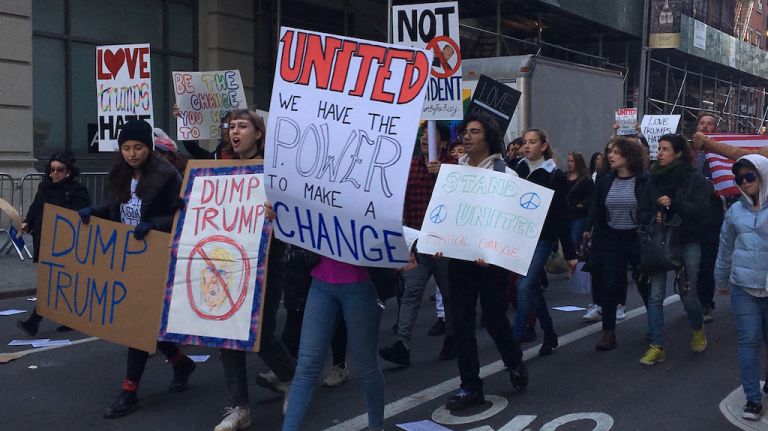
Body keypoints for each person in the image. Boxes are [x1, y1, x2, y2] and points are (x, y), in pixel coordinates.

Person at [77, 119, 195, 418]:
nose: (132, 153)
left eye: (138, 147)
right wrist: (96, 212)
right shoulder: (118, 171)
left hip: (157, 254)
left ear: (149, 147)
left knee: (137, 325)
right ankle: (181, 362)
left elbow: (182, 213)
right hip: (128, 256)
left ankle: (129, 392)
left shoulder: (167, 175)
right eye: (126, 148)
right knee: (145, 323)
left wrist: (154, 224)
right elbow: (117, 208)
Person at [213, 109, 296, 431]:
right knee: (226, 332)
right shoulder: (220, 170)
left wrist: (279, 215)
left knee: (260, 333)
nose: (235, 132)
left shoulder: (275, 173)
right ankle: (239, 407)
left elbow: (295, 217)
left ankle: (291, 379)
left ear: (258, 133)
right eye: (231, 127)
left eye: (243, 126)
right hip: (228, 264)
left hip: (267, 263)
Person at [441, 114, 528, 412]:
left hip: (490, 264)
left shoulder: (506, 175)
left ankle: (513, 362)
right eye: (465, 132)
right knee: (462, 323)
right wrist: (439, 241)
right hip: (460, 260)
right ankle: (470, 386)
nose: (467, 137)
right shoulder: (454, 172)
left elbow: (513, 223)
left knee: (494, 319)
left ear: (488, 137)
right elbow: (446, 213)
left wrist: (494, 251)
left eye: (474, 132)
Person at [280, 252, 388, 430]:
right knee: (306, 366)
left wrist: (406, 250)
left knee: (366, 364)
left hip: (361, 282)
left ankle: (377, 427)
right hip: (321, 282)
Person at [379, 122, 456, 367]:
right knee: (411, 293)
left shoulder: (453, 167)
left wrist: (443, 173)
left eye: (431, 135)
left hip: (445, 244)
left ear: (442, 142)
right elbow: (402, 200)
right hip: (418, 241)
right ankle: (403, 344)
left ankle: (453, 339)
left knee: (450, 293)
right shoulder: (409, 166)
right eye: (422, 134)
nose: (425, 138)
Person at [636, 134, 711, 365]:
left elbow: (702, 212)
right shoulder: (653, 179)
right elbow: (641, 212)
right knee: (656, 295)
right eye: (659, 148)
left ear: (678, 153)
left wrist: (674, 205)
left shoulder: (695, 179)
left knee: (687, 294)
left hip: (687, 241)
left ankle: (697, 329)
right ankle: (656, 345)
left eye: (665, 149)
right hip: (660, 242)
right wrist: (654, 215)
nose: (660, 152)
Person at [513, 128, 577, 356]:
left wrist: (570, 252)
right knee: (532, 289)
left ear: (543, 145)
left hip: (542, 239)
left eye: (532, 142)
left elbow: (561, 215)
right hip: (519, 237)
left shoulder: (554, 174)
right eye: (525, 142)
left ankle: (514, 341)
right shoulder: (517, 169)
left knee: (523, 287)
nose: (527, 146)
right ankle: (549, 333)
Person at [715, 154, 768, 421]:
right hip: (743, 288)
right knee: (748, 342)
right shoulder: (735, 211)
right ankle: (753, 400)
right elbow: (725, 248)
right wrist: (721, 279)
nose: (744, 182)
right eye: (740, 178)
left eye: (750, 176)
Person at [16, 151, 91, 336]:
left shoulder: (77, 191)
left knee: (51, 282)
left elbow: (81, 216)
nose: (55, 173)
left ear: (69, 171)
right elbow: (36, 207)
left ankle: (34, 322)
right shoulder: (45, 187)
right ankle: (71, 319)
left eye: (60, 170)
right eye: (52, 170)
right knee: (58, 282)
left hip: (65, 244)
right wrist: (27, 222)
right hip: (44, 239)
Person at [583, 138, 646, 350]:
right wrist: (587, 228)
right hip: (611, 237)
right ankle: (608, 333)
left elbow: (649, 207)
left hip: (636, 237)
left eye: (616, 152)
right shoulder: (605, 179)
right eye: (610, 151)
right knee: (609, 284)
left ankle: (654, 324)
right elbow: (597, 206)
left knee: (643, 281)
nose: (610, 155)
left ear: (629, 156)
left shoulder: (643, 180)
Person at [690, 113, 726, 323]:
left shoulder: (720, 154)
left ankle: (705, 302)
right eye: (702, 123)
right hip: (687, 216)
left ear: (715, 130)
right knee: (687, 263)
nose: (705, 127)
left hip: (711, 214)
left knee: (706, 261)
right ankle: (690, 297)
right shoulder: (686, 153)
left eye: (710, 124)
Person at [565, 152, 593, 250]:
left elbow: (591, 195)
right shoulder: (564, 177)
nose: (569, 163)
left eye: (572, 161)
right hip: (566, 214)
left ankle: (576, 262)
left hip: (579, 215)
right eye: (568, 161)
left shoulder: (585, 179)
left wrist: (583, 204)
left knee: (574, 241)